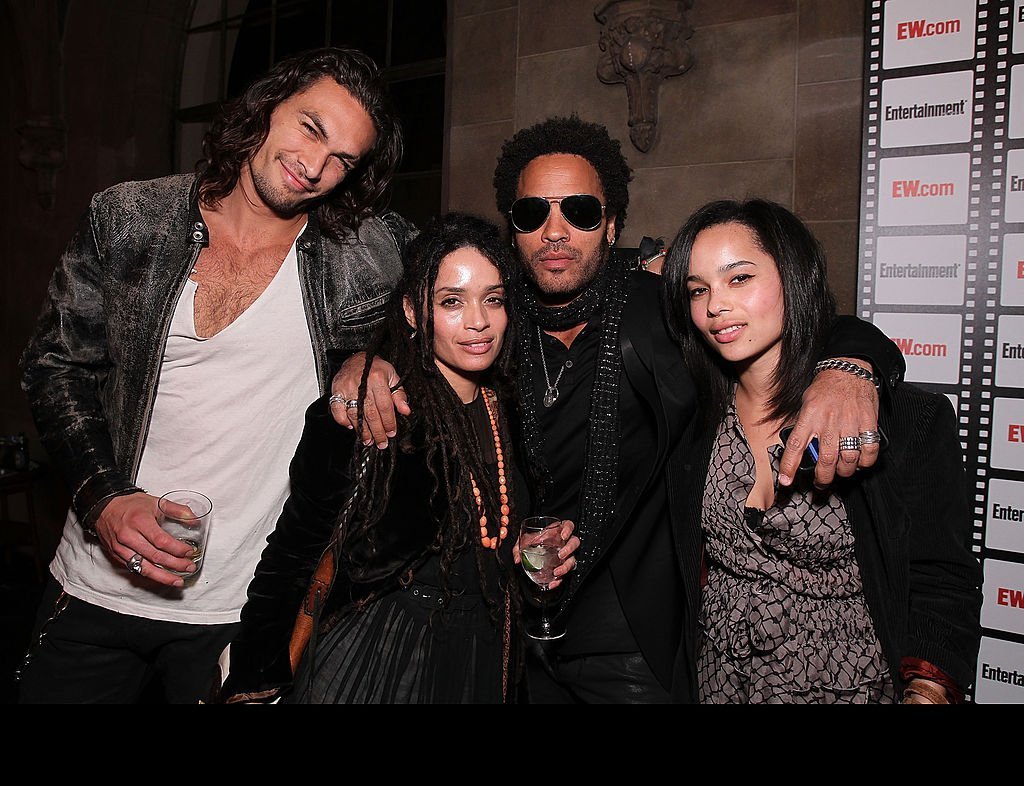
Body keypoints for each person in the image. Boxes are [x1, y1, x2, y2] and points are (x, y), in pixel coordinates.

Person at [332, 115, 906, 703]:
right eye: (533, 215)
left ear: (611, 226)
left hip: (634, 639)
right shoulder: (495, 325)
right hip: (518, 630)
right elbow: (419, 327)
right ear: (514, 232)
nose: (555, 232)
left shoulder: (662, 309)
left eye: (579, 211)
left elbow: (790, 317)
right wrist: (362, 361)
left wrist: (851, 368)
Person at [18, 47, 415, 703]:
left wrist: (371, 356)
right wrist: (103, 499)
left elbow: (462, 294)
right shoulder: (128, 219)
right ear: (267, 107)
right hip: (96, 588)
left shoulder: (363, 254)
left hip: (238, 609)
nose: (315, 166)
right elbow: (54, 367)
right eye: (310, 128)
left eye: (343, 159)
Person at [218, 212, 578, 704]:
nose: (478, 321)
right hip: (382, 655)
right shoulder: (376, 411)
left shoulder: (510, 407)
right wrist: (256, 676)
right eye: (452, 301)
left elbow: (495, 535)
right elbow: (292, 552)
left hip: (486, 649)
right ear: (413, 311)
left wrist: (530, 557)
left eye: (492, 299)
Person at [662, 199, 982, 703]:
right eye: (698, 290)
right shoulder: (690, 414)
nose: (715, 306)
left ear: (793, 277)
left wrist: (928, 687)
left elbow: (942, 578)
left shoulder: (904, 420)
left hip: (849, 686)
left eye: (739, 278)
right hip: (719, 684)